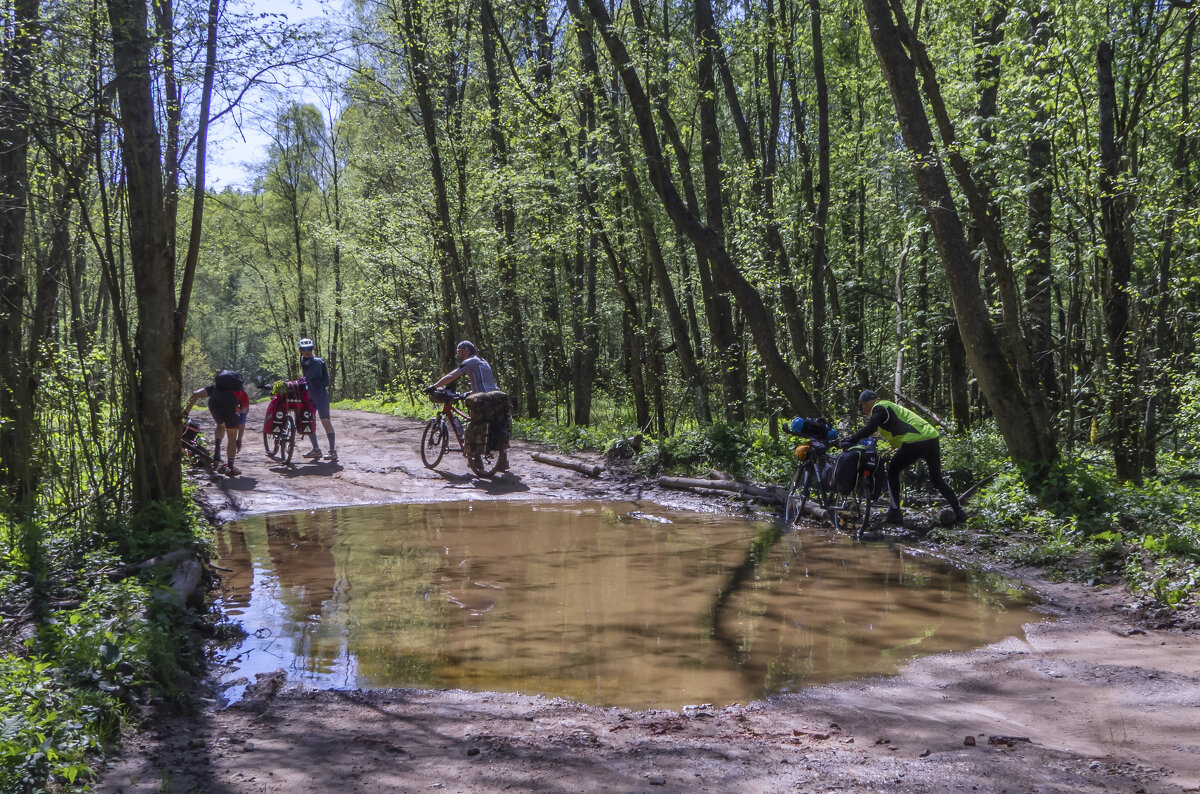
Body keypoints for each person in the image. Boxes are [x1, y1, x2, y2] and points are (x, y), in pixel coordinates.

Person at [842, 390, 966, 525]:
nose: (862, 410)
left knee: (893, 470)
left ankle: (895, 512)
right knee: (937, 479)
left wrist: (851, 440)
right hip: (931, 438)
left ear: (866, 403)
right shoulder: (889, 407)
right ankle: (959, 512)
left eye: (861, 407)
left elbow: (869, 428)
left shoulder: (879, 407)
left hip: (915, 441)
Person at [431, 340, 510, 471]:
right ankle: (503, 461)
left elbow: (451, 376)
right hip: (497, 396)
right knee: (498, 424)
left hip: (483, 399)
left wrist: (433, 386)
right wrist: (467, 393)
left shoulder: (470, 361)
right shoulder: (483, 361)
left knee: (474, 426)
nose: (457, 352)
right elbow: (480, 382)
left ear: (465, 350)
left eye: (458, 350)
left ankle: (476, 459)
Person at [184, 369, 244, 476]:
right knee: (232, 435)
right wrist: (239, 440)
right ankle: (230, 467)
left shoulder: (215, 388)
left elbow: (195, 394)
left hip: (214, 404)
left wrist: (185, 413)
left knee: (220, 425)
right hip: (230, 407)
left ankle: (217, 454)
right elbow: (243, 416)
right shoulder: (240, 391)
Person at [298, 338, 336, 461]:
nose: (307, 352)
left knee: (325, 421)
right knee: (309, 421)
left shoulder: (316, 362)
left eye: (309, 349)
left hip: (320, 395)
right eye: (305, 350)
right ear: (300, 350)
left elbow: (306, 378)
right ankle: (316, 450)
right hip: (309, 395)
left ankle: (332, 451)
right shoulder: (303, 360)